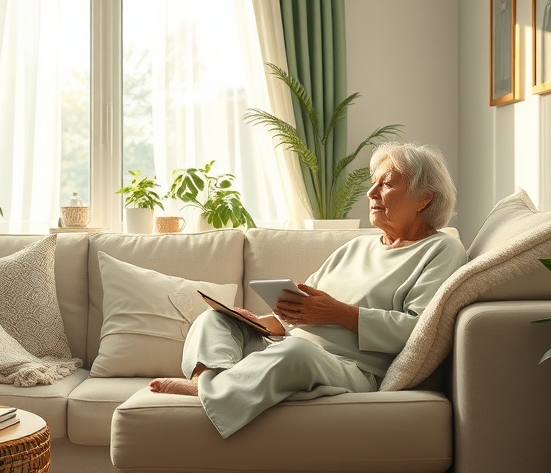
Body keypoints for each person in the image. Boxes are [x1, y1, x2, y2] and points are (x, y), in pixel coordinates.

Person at [150, 142, 468, 438]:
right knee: (215, 319)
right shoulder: (356, 247)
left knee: (297, 353)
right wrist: (261, 322)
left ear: (424, 198)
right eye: (373, 183)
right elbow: (303, 309)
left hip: (350, 367)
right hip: (286, 346)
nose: (371, 192)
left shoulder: (442, 250)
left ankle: (216, 389)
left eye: (386, 184)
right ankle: (207, 382)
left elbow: (420, 331)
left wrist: (340, 314)